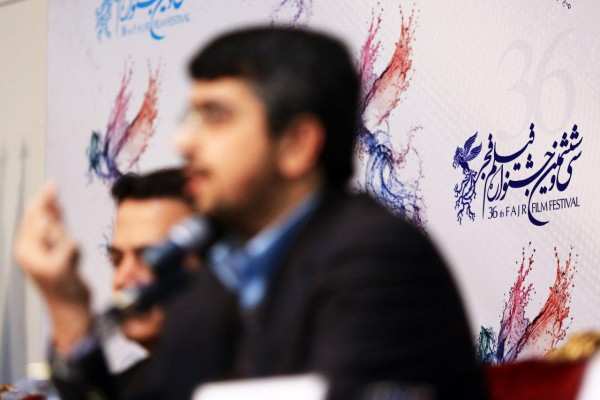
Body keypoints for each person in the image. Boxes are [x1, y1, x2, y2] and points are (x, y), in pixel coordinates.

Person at [16, 27, 488, 399]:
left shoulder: (377, 258)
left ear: (297, 145)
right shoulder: (210, 289)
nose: (184, 142)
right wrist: (68, 309)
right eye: (191, 118)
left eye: (216, 116)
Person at [14, 169, 195, 399]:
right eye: (117, 261)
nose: (122, 278)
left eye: (151, 257)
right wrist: (69, 310)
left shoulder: (232, 379)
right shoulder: (128, 386)